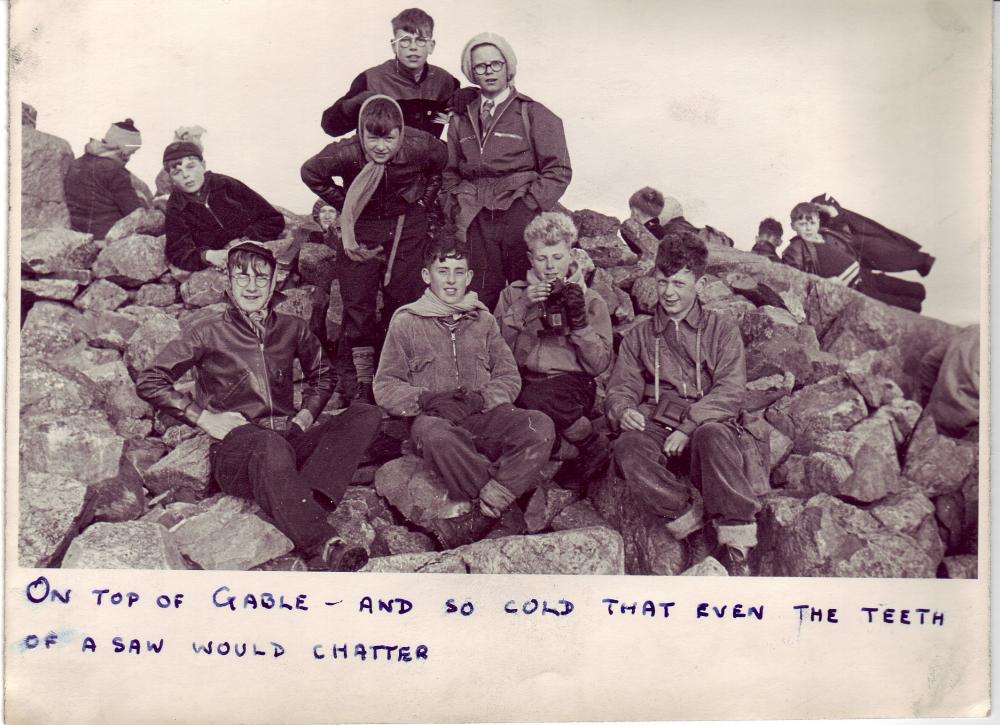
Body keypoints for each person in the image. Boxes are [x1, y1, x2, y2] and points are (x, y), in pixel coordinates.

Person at [135, 242, 381, 571]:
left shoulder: (293, 327)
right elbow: (150, 379)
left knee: (366, 415)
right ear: (229, 283)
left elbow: (323, 375)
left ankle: (296, 503)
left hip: (287, 440)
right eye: (243, 277)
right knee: (268, 443)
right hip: (236, 450)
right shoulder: (206, 330)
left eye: (261, 278)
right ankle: (322, 544)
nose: (252, 286)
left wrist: (306, 415)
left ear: (274, 282)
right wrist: (203, 417)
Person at [373, 237, 556, 548]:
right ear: (426, 276)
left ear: (470, 277)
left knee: (539, 425)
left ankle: (485, 514)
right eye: (443, 271)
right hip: (433, 421)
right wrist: (426, 400)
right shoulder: (405, 321)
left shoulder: (483, 320)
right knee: (436, 436)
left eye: (459, 271)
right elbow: (385, 385)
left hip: (483, 416)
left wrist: (480, 399)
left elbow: (509, 376)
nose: (452, 280)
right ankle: (507, 504)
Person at [605, 231, 760, 576]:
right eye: (662, 283)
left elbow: (731, 390)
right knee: (628, 449)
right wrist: (624, 409)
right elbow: (621, 386)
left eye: (679, 283)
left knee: (714, 438)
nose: (669, 293)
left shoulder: (721, 328)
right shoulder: (640, 334)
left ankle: (737, 544)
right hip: (657, 421)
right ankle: (692, 528)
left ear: (700, 283)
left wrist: (689, 427)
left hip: (706, 420)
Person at [301, 95, 448, 404]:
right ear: (362, 133)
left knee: (404, 298)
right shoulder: (345, 151)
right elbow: (310, 172)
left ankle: (398, 373)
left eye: (389, 138)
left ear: (401, 134)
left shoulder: (422, 145)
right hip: (363, 227)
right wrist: (350, 205)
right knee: (357, 304)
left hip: (406, 224)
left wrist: (423, 200)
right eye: (373, 138)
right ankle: (361, 382)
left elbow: (442, 165)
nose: (381, 146)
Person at [441, 32, 572, 310]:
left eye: (495, 64)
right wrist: (455, 206)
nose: (489, 72)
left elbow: (559, 169)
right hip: (474, 217)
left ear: (508, 66)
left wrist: (528, 205)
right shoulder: (460, 118)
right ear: (471, 71)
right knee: (478, 298)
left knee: (525, 296)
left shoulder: (533, 113)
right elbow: (449, 170)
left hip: (517, 212)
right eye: (480, 66)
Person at [494, 212, 613, 490]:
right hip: (526, 378)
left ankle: (589, 442)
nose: (550, 267)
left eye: (557, 257)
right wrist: (522, 307)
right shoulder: (512, 295)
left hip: (571, 385)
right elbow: (497, 352)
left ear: (571, 254)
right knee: (507, 404)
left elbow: (599, 365)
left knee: (530, 399)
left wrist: (580, 323)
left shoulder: (592, 299)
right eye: (541, 258)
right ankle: (568, 451)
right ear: (529, 257)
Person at [320, 8, 459, 139]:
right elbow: (330, 128)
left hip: (426, 161)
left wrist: (471, 93)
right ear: (394, 46)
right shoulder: (371, 79)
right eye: (405, 41)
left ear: (431, 46)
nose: (413, 47)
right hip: (380, 159)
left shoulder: (445, 81)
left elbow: (471, 116)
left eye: (421, 41)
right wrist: (354, 103)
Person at [162, 141, 285, 271]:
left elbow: (272, 219)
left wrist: (245, 240)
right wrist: (208, 255)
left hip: (255, 251)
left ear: (203, 165)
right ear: (171, 178)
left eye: (191, 166)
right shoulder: (176, 207)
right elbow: (177, 253)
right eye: (177, 172)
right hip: (221, 265)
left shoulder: (225, 185)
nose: (186, 175)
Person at [782, 201, 926, 312]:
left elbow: (847, 236)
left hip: (866, 276)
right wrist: (824, 283)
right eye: (802, 224)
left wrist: (833, 213)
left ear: (818, 221)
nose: (808, 228)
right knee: (911, 305)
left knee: (918, 290)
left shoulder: (827, 234)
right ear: (793, 226)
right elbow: (796, 278)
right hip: (856, 290)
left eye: (812, 223)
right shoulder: (795, 248)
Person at [63, 119, 151, 239]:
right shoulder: (115, 170)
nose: (129, 159)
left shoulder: (77, 163)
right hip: (106, 235)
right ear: (122, 148)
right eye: (130, 153)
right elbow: (134, 213)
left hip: (76, 232)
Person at [811, 193, 935, 277]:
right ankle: (922, 261)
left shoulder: (829, 212)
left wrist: (833, 214)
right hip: (854, 248)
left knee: (889, 254)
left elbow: (845, 229)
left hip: (858, 242)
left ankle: (922, 261)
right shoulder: (822, 217)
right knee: (887, 256)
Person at [918, 325, 980, 439]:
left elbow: (928, 362)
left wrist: (930, 402)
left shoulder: (973, 330)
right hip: (970, 431)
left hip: (933, 421)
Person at [154, 125, 207, 203]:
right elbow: (163, 196)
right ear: (185, 138)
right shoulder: (170, 170)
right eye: (196, 137)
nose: (200, 142)